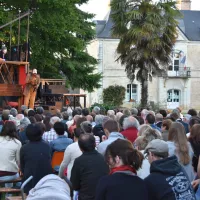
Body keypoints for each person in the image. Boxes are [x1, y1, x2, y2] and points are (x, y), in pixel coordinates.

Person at [70, 134, 109, 200]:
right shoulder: (103, 158)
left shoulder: (79, 161)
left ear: (80, 148)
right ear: (95, 144)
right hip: (103, 196)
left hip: (86, 197)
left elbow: (74, 184)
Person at [20, 123, 53, 194]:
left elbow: (22, 167)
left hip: (30, 182)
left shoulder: (24, 148)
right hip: (46, 181)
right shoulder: (47, 146)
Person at [0, 121, 21, 187]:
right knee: (16, 176)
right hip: (11, 173)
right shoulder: (17, 143)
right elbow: (18, 161)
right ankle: (9, 193)